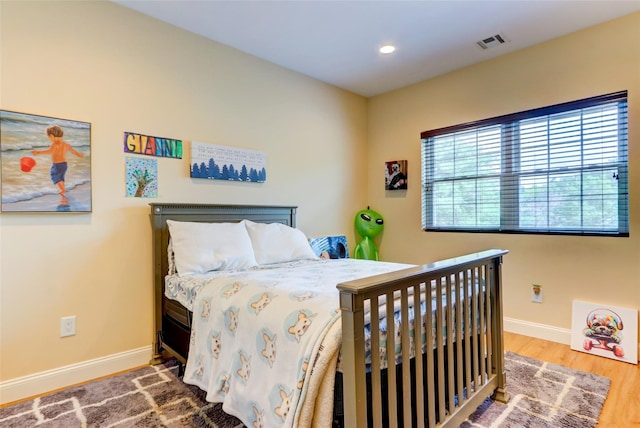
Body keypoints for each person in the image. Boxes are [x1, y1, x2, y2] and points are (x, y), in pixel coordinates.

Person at [32, 125, 83, 205]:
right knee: (61, 177)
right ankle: (62, 189)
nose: (50, 139)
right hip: (64, 164)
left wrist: (38, 152)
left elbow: (50, 151)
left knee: (54, 176)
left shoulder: (54, 144)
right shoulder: (66, 144)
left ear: (51, 136)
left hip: (57, 164)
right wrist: (78, 154)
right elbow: (73, 151)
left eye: (49, 137)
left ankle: (62, 189)